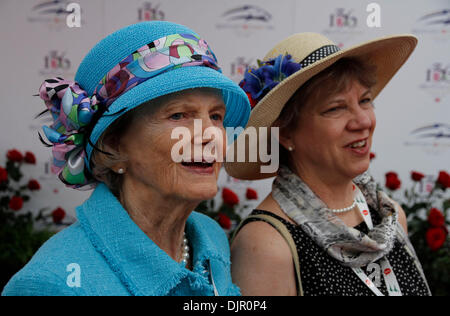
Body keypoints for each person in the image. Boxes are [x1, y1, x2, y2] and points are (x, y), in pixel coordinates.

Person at [2, 21, 250, 296]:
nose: (211, 135)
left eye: (216, 116)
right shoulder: (51, 284)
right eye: (179, 115)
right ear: (114, 145)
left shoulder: (210, 237)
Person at [226, 32, 431, 296]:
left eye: (365, 100)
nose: (363, 121)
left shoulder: (389, 217)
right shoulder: (267, 245)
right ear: (286, 132)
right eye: (335, 108)